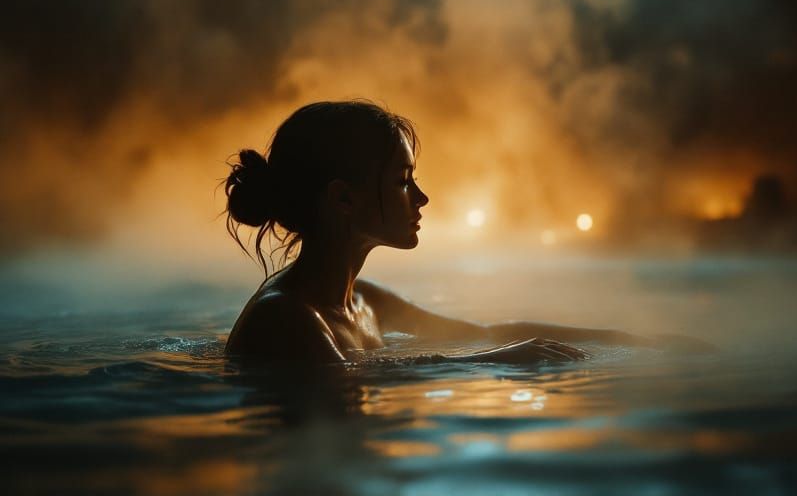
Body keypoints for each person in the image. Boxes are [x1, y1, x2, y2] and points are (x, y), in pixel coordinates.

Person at [223, 101, 652, 365]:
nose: (422, 198)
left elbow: (481, 333)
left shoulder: (364, 301)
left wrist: (626, 340)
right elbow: (338, 382)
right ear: (343, 200)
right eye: (403, 181)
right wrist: (497, 362)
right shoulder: (285, 316)